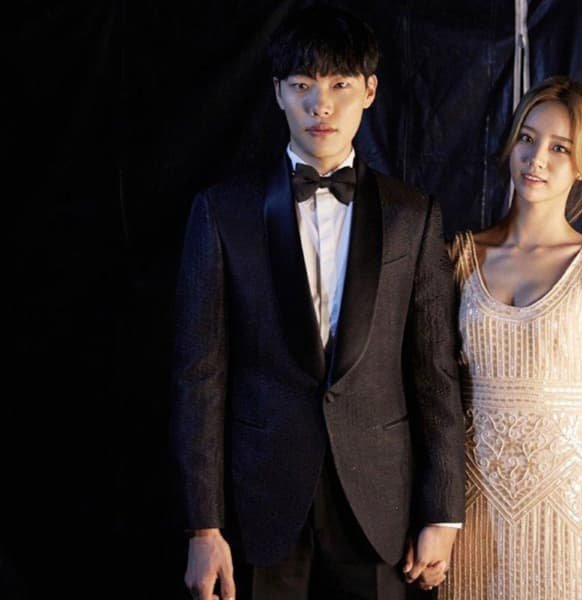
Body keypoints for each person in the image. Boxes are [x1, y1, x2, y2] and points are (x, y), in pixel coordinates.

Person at [170, 7, 464, 600]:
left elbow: (435, 372)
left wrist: (442, 512)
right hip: (259, 503)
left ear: (370, 91)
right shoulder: (222, 211)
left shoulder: (413, 216)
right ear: (279, 92)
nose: (320, 106)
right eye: (303, 85)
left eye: (339, 85)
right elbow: (199, 377)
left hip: (381, 505)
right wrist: (203, 527)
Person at [438, 77, 582, 599]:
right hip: (470, 506)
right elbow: (430, 392)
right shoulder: (458, 257)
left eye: (560, 148)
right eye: (528, 139)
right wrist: (433, 515)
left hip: (568, 510)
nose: (537, 159)